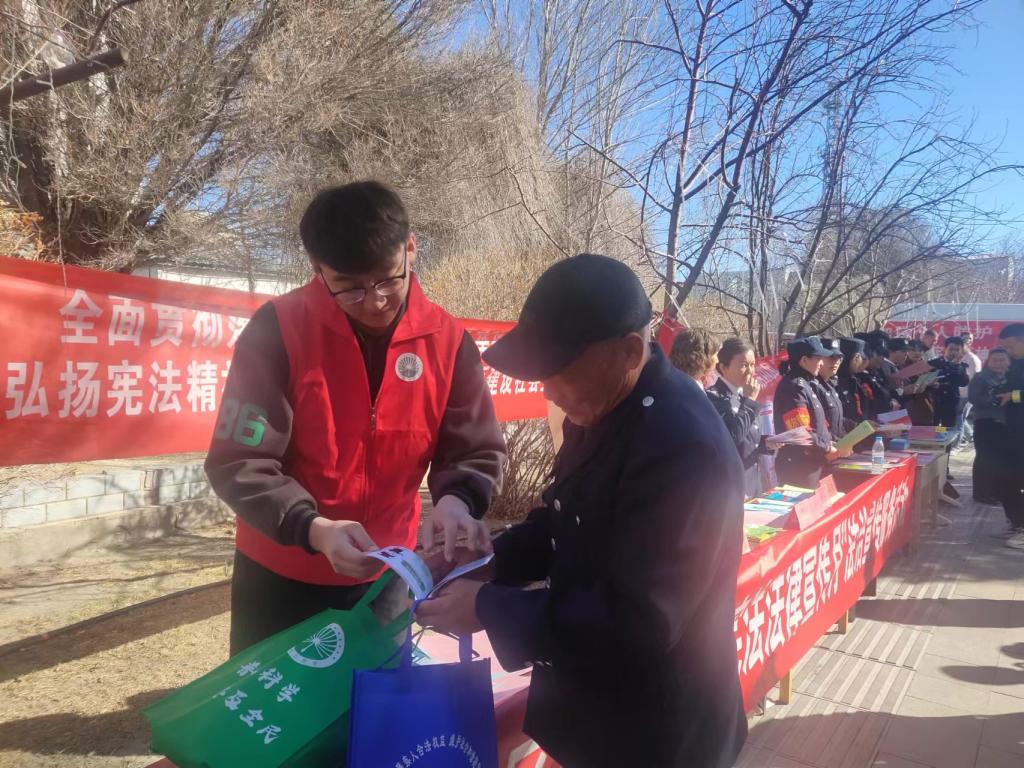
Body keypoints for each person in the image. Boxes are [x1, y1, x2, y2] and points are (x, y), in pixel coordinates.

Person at [417, 254, 748, 768]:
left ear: (629, 351)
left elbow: (641, 620)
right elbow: (565, 519)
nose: (547, 391)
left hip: (656, 731)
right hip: (598, 711)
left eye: (560, 372)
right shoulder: (605, 403)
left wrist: (487, 608)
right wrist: (488, 561)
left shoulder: (680, 446)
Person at [205, 181, 506, 654]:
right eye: (349, 288)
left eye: (388, 279)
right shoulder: (277, 330)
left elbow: (475, 448)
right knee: (281, 700)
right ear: (317, 268)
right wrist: (313, 528)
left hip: (385, 575)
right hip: (282, 571)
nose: (374, 300)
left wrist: (457, 502)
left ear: (410, 248)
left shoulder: (448, 342)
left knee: (375, 693)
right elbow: (238, 461)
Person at [772, 336, 850, 488]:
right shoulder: (794, 388)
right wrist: (826, 448)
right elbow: (800, 431)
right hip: (799, 467)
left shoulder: (807, 384)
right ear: (804, 360)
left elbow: (818, 424)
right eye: (819, 358)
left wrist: (828, 442)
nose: (822, 363)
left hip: (813, 462)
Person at [706, 336, 776, 497]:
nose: (751, 371)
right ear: (723, 367)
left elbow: (746, 437)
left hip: (752, 481)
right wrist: (749, 401)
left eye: (752, 365)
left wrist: (767, 443)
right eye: (743, 365)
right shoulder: (714, 398)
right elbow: (731, 437)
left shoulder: (742, 394)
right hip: (729, 488)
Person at [968, 348, 1010, 507]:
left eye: (1002, 360)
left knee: (1000, 458)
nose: (999, 363)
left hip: (1005, 422)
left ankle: (996, 491)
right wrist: (995, 399)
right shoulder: (981, 377)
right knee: (985, 457)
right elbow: (973, 398)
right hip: (985, 421)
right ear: (988, 361)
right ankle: (981, 493)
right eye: (995, 360)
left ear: (1008, 361)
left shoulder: (1012, 376)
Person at [996, 323, 1024, 549]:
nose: (1008, 351)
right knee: (1007, 477)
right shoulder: (1012, 363)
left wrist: (1014, 396)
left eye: (1010, 346)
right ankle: (1017, 522)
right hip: (1011, 430)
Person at [931, 336, 970, 429]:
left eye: (957, 350)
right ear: (945, 349)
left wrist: (956, 365)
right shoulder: (934, 363)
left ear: (961, 351)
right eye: (951, 349)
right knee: (933, 429)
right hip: (934, 401)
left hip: (951, 402)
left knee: (947, 429)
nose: (953, 352)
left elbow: (963, 382)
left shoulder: (962, 366)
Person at [813, 337, 846, 438]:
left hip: (837, 444)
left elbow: (836, 419)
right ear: (819, 359)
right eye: (831, 357)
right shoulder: (813, 386)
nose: (836, 362)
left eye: (839, 358)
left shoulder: (831, 385)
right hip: (824, 445)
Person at [835, 337, 868, 431]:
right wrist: (855, 426)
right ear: (856, 358)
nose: (862, 362)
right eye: (862, 358)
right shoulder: (834, 382)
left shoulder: (853, 380)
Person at [957, 330, 982, 446]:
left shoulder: (972, 358)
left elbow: (975, 379)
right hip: (958, 393)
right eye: (964, 339)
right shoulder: (959, 357)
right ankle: (971, 435)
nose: (967, 341)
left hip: (967, 394)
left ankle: (956, 443)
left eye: (969, 339)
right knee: (959, 417)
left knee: (959, 416)